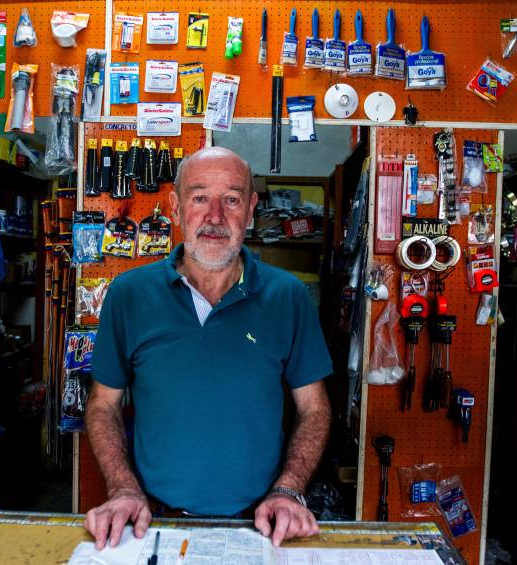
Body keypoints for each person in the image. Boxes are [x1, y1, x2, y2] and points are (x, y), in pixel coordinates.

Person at [84, 146, 332, 550]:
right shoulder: (129, 295)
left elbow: (315, 408)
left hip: (263, 524)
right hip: (154, 520)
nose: (215, 217)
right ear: (176, 207)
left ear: (251, 209)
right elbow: (102, 404)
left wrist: (288, 490)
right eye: (200, 197)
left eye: (231, 199)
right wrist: (122, 488)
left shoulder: (288, 297)